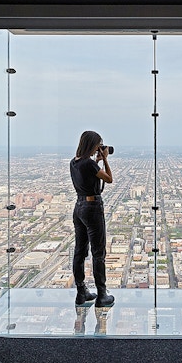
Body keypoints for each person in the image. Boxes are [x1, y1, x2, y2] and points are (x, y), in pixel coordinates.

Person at [70, 130, 115, 307]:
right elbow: (109, 179)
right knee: (98, 253)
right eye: (99, 144)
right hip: (92, 208)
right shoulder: (90, 163)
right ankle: (102, 295)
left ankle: (81, 293)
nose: (100, 147)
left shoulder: (74, 162)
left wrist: (96, 161)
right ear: (93, 144)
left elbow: (86, 177)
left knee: (80, 251)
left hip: (79, 208)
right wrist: (105, 159)